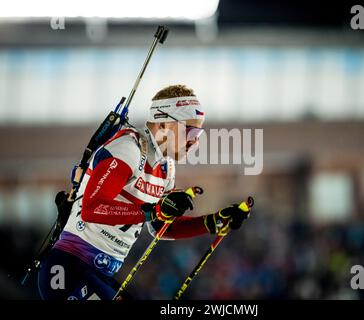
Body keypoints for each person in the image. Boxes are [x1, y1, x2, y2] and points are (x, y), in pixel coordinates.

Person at [37, 84, 252, 300]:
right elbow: (92, 209)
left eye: (199, 133)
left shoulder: (166, 168)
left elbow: (161, 227)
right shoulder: (128, 149)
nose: (195, 141)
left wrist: (211, 222)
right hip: (69, 269)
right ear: (164, 124)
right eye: (190, 131)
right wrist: (154, 210)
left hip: (100, 274)